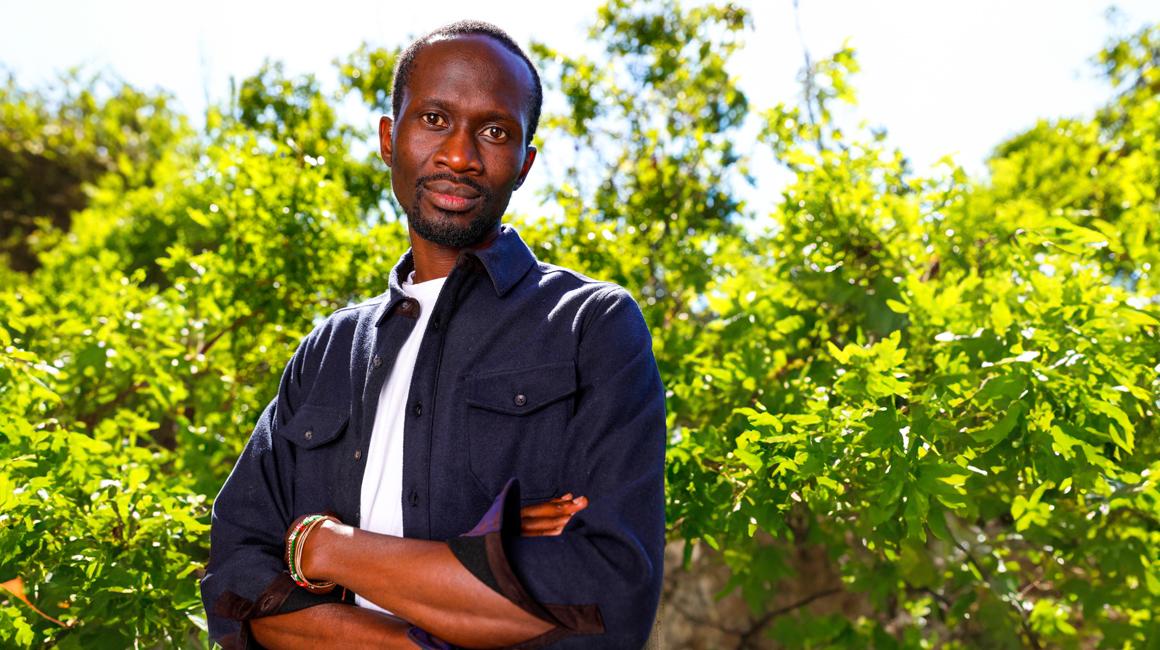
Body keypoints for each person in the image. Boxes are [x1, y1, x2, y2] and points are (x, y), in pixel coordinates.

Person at [200, 20, 665, 649]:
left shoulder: (591, 327)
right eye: (436, 120)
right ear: (391, 138)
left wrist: (324, 547)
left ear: (525, 163)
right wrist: (446, 601)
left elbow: (604, 596)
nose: (459, 156)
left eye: (495, 131)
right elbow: (235, 580)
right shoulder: (328, 353)